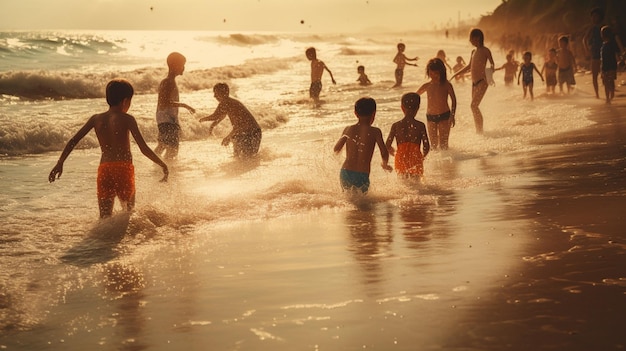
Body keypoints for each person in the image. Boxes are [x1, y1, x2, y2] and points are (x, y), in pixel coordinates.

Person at [49, 79, 169, 218]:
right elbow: (143, 148)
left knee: (105, 218)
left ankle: (103, 240)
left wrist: (60, 162)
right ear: (125, 101)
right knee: (128, 215)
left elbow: (73, 140)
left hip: (104, 170)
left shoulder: (96, 119)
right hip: (123, 169)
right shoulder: (127, 119)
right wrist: (162, 164)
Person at [334, 97, 392, 193]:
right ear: (374, 114)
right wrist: (385, 164)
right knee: (363, 203)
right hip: (362, 174)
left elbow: (336, 149)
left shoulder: (348, 129)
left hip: (345, 172)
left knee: (347, 198)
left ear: (355, 113)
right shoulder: (375, 131)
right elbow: (384, 151)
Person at [199, 83, 262, 158]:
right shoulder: (229, 102)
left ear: (224, 93)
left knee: (245, 159)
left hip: (250, 133)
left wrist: (201, 120)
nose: (214, 96)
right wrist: (213, 125)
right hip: (252, 132)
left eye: (216, 93)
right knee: (242, 159)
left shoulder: (226, 103)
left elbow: (215, 116)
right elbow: (222, 115)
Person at [451, 28, 494, 134]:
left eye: (471, 38)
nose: (470, 41)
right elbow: (470, 66)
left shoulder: (485, 50)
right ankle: (478, 131)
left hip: (483, 81)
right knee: (474, 108)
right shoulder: (473, 51)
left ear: (477, 38)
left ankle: (480, 131)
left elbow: (492, 64)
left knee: (473, 106)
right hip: (474, 83)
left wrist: (489, 75)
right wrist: (457, 73)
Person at [154, 52, 196, 160]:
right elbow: (164, 102)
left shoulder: (170, 81)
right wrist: (185, 105)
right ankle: (167, 171)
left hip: (166, 120)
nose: (184, 68)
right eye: (182, 65)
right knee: (173, 150)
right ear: (175, 65)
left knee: (162, 146)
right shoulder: (168, 82)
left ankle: (156, 169)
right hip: (167, 121)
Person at [386, 93, 430, 179]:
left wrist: (394, 153)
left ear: (402, 107)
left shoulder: (396, 125)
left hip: (400, 158)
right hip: (415, 157)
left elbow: (387, 145)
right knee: (416, 182)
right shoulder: (420, 125)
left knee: (403, 181)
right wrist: (423, 156)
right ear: (418, 108)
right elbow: (426, 146)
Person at [417, 58, 456, 150]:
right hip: (430, 117)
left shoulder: (446, 85)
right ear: (428, 72)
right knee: (433, 145)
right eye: (431, 73)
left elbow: (454, 100)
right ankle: (436, 163)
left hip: (444, 116)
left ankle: (447, 163)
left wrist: (452, 115)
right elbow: (414, 97)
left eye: (436, 73)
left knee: (443, 145)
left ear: (442, 72)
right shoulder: (427, 86)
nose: (433, 75)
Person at [584, 7, 604, 99]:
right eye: (593, 16)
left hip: (604, 53)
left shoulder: (603, 27)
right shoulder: (591, 29)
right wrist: (587, 50)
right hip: (595, 53)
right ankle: (597, 94)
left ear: (600, 17)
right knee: (595, 75)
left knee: (605, 74)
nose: (594, 18)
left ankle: (607, 92)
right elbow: (584, 40)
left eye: (596, 16)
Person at [600, 26, 620, 104]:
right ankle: (608, 97)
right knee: (607, 82)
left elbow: (616, 54)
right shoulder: (604, 45)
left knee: (609, 82)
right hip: (606, 66)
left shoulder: (611, 44)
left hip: (610, 66)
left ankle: (610, 96)